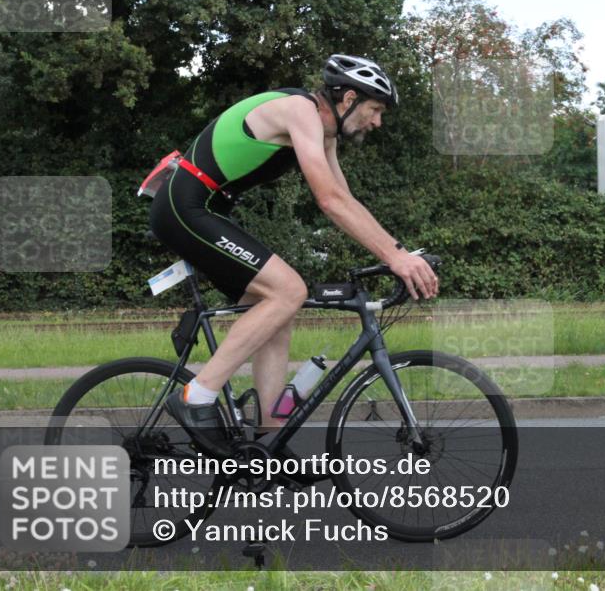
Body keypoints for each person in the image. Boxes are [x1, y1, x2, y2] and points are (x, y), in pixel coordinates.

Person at [149, 54, 439, 455]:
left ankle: (268, 438)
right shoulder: (300, 110)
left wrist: (399, 250)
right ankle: (196, 396)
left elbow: (346, 201)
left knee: (278, 310)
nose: (377, 122)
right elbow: (329, 200)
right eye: (374, 110)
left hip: (206, 211)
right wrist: (395, 258)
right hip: (183, 207)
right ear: (349, 97)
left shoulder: (325, 134)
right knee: (289, 291)